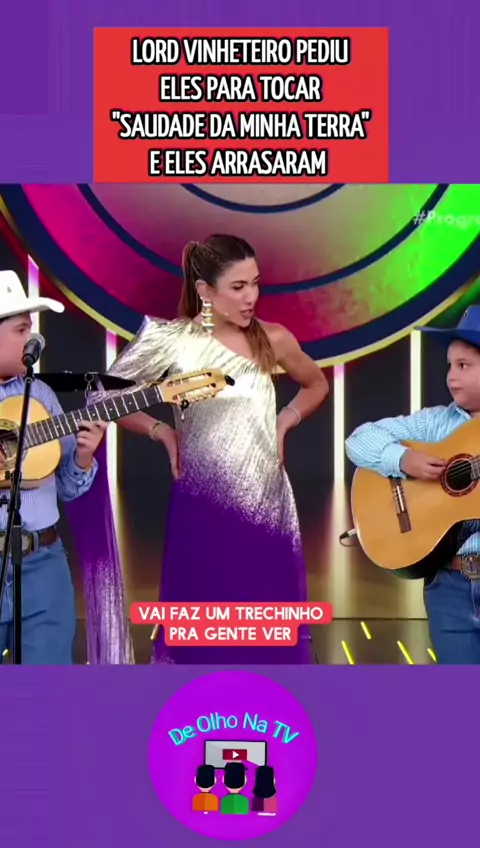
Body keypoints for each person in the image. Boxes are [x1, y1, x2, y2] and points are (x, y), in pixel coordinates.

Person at [103, 233, 329, 664]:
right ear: (205, 291)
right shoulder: (171, 341)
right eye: (238, 287)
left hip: (266, 514)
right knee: (201, 641)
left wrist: (283, 422)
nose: (251, 297)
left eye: (255, 284)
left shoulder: (273, 338)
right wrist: (162, 432)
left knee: (267, 641)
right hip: (202, 511)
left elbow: (315, 384)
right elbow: (105, 397)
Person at [345, 306, 480, 665]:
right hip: (449, 586)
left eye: (464, 366)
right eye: (450, 365)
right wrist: (403, 460)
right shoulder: (436, 424)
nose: (452, 376)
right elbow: (359, 440)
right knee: (460, 694)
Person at [0, 271, 108, 664]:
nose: (31, 338)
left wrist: (83, 457)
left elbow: (66, 488)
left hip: (42, 564)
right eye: (20, 330)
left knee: (46, 686)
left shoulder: (41, 396)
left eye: (30, 328)